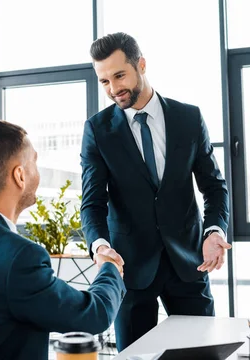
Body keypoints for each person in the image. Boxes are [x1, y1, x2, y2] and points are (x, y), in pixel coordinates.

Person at [0, 120, 126, 360]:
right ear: (19, 175)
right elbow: (94, 315)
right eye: (34, 162)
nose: (37, 173)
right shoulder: (18, 257)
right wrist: (110, 268)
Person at [80, 32, 231, 351]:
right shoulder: (97, 130)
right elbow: (92, 203)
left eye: (119, 75)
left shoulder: (188, 118)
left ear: (142, 65)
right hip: (130, 268)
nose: (113, 88)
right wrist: (100, 246)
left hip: (189, 264)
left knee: (202, 354)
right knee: (135, 357)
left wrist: (214, 231)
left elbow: (214, 188)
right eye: (104, 81)